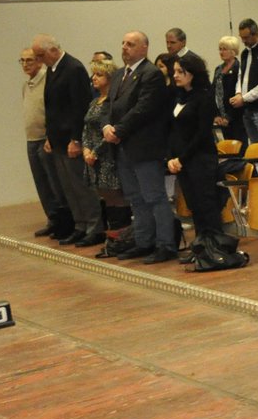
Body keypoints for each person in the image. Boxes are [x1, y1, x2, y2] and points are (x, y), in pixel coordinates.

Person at [104, 31, 177, 264]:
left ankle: (166, 244)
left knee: (154, 196)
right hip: (123, 146)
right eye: (123, 43)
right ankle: (144, 242)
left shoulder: (151, 74)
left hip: (144, 146)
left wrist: (118, 130)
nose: (124, 47)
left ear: (144, 48)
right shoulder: (118, 75)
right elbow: (110, 105)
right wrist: (106, 125)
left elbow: (143, 109)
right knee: (136, 199)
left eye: (130, 44)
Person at [32, 35, 102, 247]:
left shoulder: (73, 68)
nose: (39, 60)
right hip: (58, 139)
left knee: (81, 185)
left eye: (41, 55)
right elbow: (52, 107)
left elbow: (79, 106)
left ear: (53, 50)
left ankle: (94, 227)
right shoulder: (53, 70)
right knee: (68, 187)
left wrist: (76, 139)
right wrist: (50, 137)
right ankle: (79, 225)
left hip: (72, 139)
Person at [165, 54, 226, 252]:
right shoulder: (178, 96)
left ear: (192, 74)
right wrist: (171, 158)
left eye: (179, 72)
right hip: (182, 159)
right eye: (174, 71)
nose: (175, 75)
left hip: (200, 158)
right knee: (194, 206)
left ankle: (214, 246)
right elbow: (173, 131)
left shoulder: (204, 97)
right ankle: (201, 246)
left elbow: (201, 134)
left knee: (206, 204)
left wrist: (182, 158)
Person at [21, 46, 68, 239]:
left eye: (29, 60)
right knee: (41, 182)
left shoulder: (46, 80)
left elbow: (53, 110)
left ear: (39, 61)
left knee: (54, 181)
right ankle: (52, 219)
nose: (25, 64)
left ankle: (64, 221)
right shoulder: (27, 84)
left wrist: (50, 135)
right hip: (31, 139)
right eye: (22, 61)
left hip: (45, 138)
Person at [79, 58, 127, 245]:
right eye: (94, 74)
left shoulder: (114, 102)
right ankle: (112, 237)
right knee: (105, 196)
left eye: (99, 75)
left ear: (110, 78)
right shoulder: (94, 102)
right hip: (92, 156)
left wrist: (96, 152)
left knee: (116, 195)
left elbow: (111, 130)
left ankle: (122, 236)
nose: (94, 78)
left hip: (107, 155)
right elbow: (87, 129)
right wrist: (85, 149)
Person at [211, 35, 246, 143]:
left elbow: (238, 93)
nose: (221, 52)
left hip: (236, 116)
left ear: (233, 51)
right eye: (220, 49)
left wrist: (229, 117)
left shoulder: (239, 68)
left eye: (225, 49)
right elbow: (213, 92)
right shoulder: (218, 69)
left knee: (239, 145)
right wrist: (216, 114)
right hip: (221, 115)